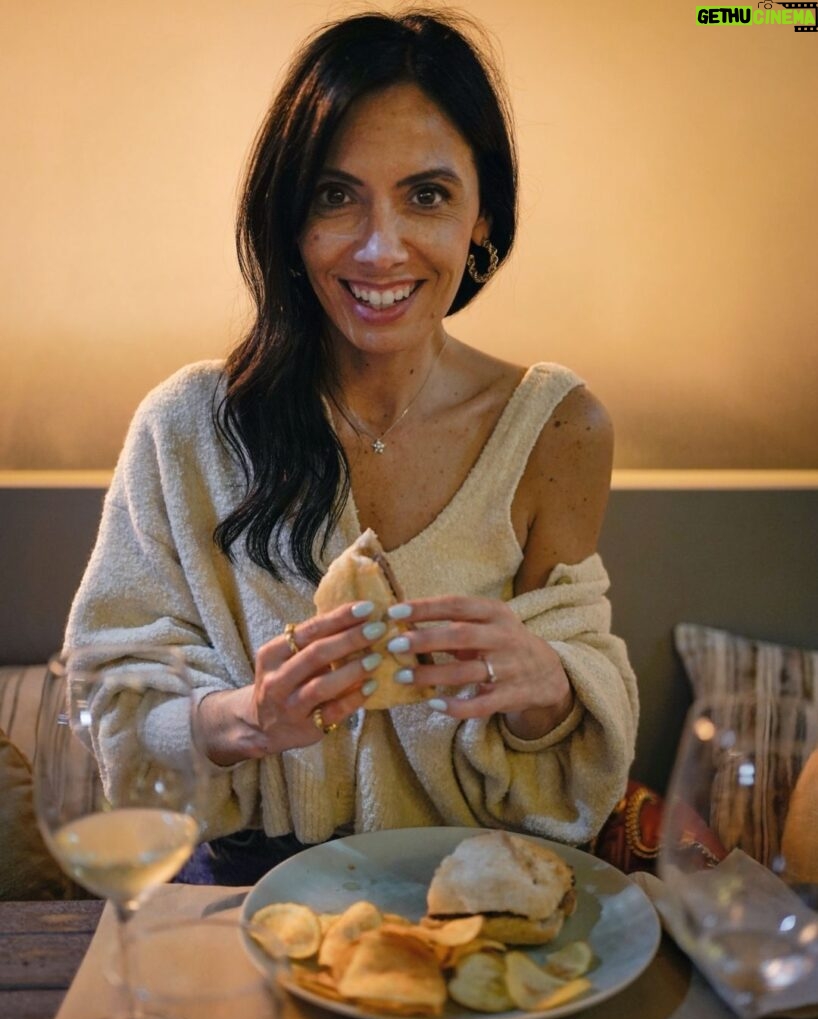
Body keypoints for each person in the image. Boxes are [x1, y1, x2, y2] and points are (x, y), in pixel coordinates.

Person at [66, 8, 638, 884]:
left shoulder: (558, 429)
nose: (381, 248)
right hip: (239, 897)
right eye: (337, 196)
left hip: (474, 896)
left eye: (428, 195)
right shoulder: (187, 430)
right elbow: (113, 712)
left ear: (485, 215)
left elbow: (574, 762)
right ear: (290, 222)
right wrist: (248, 716)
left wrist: (550, 686)